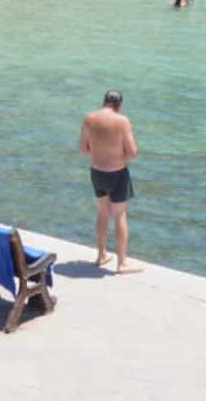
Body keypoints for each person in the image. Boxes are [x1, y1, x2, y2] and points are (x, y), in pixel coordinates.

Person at [78, 90, 141, 273]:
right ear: (119, 105)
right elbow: (132, 152)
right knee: (120, 215)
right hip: (117, 174)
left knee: (103, 211)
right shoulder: (122, 121)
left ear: (104, 101)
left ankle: (101, 255)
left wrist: (100, 149)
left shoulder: (89, 118)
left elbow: (83, 147)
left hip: (96, 172)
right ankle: (121, 264)